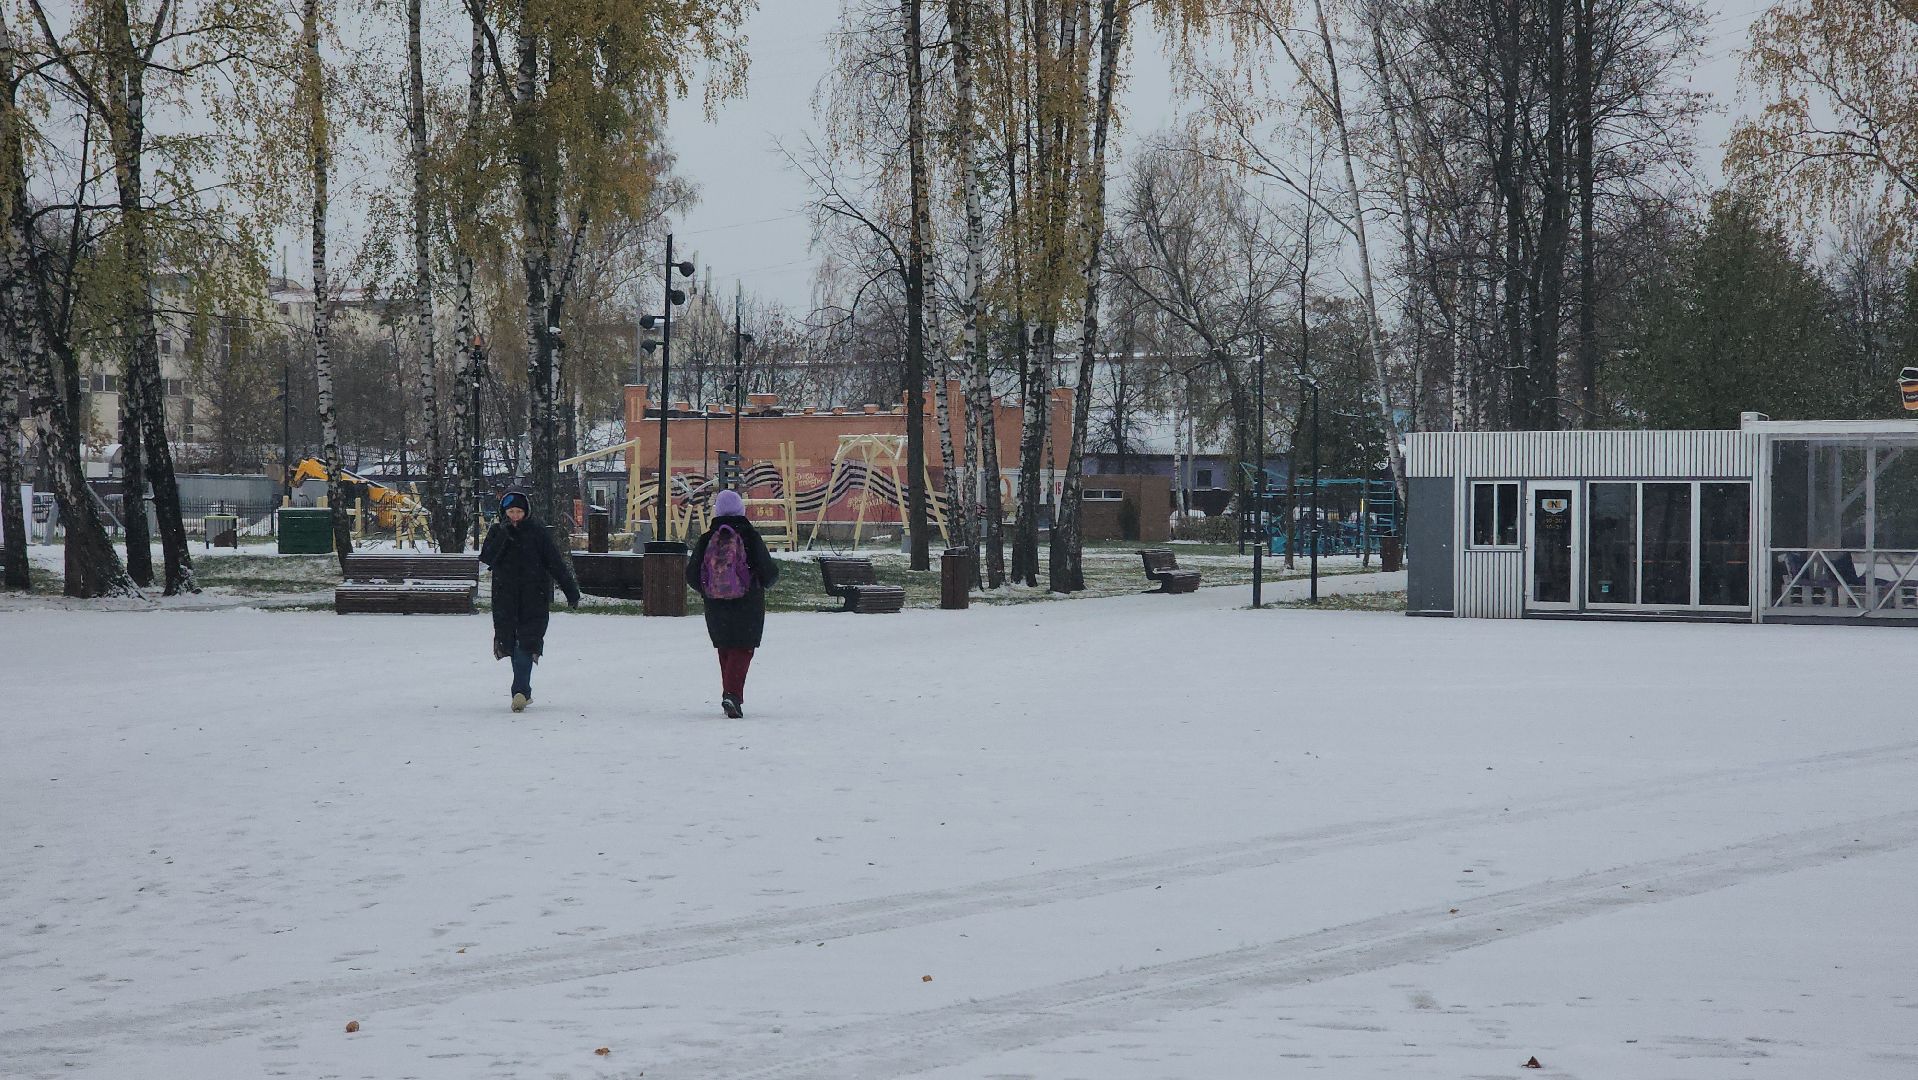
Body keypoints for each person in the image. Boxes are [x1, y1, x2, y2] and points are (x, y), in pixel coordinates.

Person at [479, 490, 581, 713]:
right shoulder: (497, 531)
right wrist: (503, 536)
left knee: (527, 642)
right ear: (504, 513)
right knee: (511, 642)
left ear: (526, 512)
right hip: (505, 598)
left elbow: (555, 562)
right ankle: (522, 691)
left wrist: (570, 591)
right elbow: (487, 558)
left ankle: (520, 691)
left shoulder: (537, 533)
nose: (515, 516)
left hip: (534, 597)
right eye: (511, 512)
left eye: (519, 512)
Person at [686, 488, 780, 718]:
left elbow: (692, 574)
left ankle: (729, 693)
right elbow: (768, 572)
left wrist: (709, 590)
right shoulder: (749, 536)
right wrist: (762, 582)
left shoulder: (707, 538)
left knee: (725, 649)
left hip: (715, 605)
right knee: (742, 648)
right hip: (747, 603)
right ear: (741, 510)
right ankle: (732, 695)